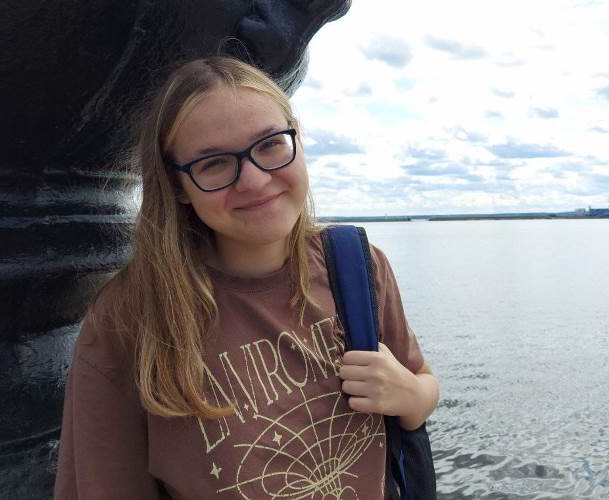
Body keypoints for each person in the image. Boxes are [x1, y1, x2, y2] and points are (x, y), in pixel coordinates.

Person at [53, 56, 439, 499]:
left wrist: (410, 395)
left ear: (297, 138)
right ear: (177, 185)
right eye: (214, 163)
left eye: (270, 144)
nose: (254, 181)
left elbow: (422, 385)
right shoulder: (129, 318)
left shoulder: (357, 265)